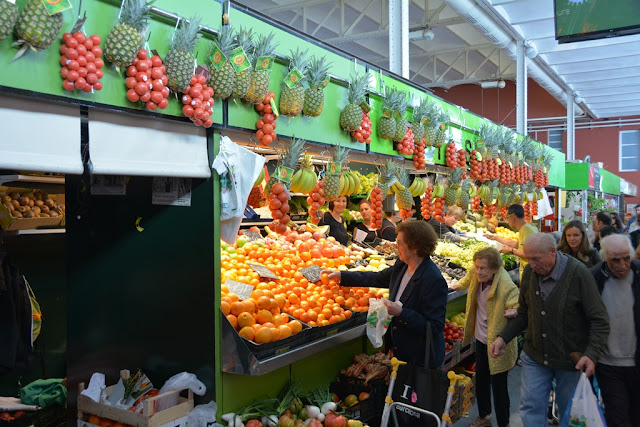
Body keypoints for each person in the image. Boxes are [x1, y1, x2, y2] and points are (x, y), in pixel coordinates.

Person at [490, 233, 609, 426]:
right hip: (535, 355)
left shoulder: (579, 274)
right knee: (530, 408)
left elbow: (599, 319)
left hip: (569, 360)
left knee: (567, 412)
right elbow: (523, 313)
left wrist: (591, 354)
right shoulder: (529, 273)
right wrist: (503, 337)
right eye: (529, 259)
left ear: (553, 252)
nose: (532, 264)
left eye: (536, 258)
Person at [325, 221, 448, 367]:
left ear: (415, 247)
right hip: (401, 352)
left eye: (400, 243)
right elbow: (377, 278)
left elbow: (434, 326)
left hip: (420, 358)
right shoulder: (402, 265)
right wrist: (342, 275)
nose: (396, 247)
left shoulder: (433, 279)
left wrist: (401, 313)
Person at [449, 247, 519, 427]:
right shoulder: (476, 272)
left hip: (498, 342)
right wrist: (455, 285)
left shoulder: (506, 286)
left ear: (495, 269)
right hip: (480, 339)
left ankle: (504, 423)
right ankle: (484, 417)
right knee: (480, 380)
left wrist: (515, 310)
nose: (478, 271)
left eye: (483, 268)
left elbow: (517, 303)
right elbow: (467, 279)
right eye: (477, 267)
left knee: (499, 387)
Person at [590, 234, 640, 427]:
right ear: (604, 258)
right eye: (615, 260)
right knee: (617, 416)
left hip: (636, 361)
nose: (622, 264)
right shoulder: (593, 278)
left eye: (626, 258)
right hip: (607, 363)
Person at [486, 204, 538, 280]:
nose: (507, 222)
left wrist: (511, 251)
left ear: (513, 217)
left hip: (530, 273)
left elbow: (529, 254)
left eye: (507, 218)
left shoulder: (526, 230)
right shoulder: (527, 227)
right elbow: (516, 244)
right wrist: (495, 237)